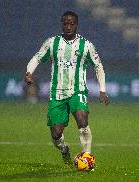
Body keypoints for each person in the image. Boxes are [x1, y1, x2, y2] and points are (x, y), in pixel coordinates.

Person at [24, 10, 109, 165]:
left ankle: (87, 157)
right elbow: (36, 58)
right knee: (56, 133)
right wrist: (29, 72)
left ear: (76, 25)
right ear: (62, 24)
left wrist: (102, 89)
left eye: (72, 23)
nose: (68, 26)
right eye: (66, 23)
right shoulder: (52, 43)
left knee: (82, 119)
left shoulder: (86, 45)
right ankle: (64, 149)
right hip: (57, 93)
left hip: (78, 90)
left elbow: (98, 67)